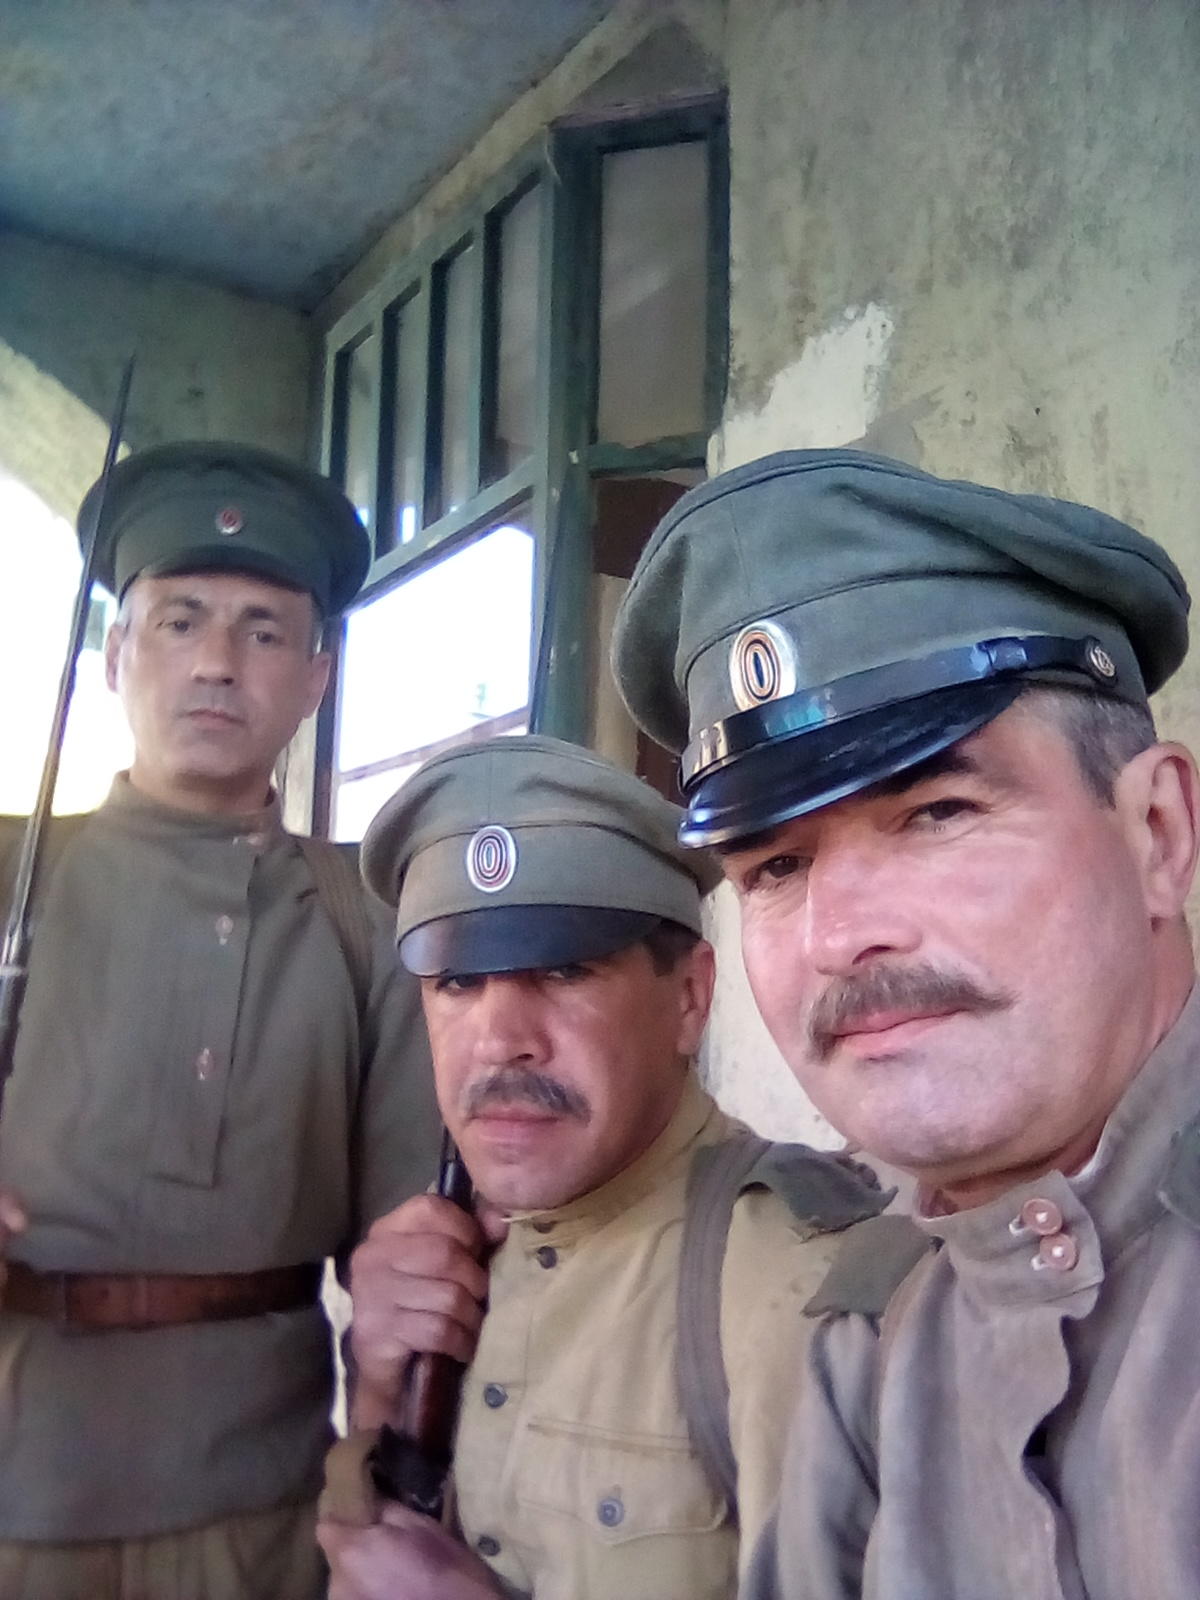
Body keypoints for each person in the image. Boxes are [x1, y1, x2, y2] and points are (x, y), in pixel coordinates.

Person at [610, 445, 1200, 1599]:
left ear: (1158, 835)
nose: (839, 936)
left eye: (937, 810)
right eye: (776, 867)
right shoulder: (871, 1326)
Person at [0, 441, 440, 1600]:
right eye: (179, 619)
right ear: (114, 654)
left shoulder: (364, 919)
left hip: (260, 1515)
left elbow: (408, 1251)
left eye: (263, 631)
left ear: (317, 675)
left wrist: (376, 1468)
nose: (215, 662)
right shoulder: (9, 878)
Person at [316, 734, 889, 1600]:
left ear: (689, 997)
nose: (500, 1040)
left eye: (563, 969)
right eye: (458, 983)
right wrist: (378, 1391)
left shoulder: (790, 1287)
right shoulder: (453, 1249)